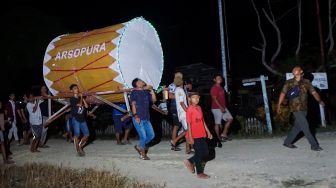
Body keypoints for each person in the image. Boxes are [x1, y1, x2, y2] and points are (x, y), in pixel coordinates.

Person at [277, 66, 325, 151]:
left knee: (298, 127)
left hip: (304, 108)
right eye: (293, 70)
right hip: (295, 108)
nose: (294, 71)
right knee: (305, 126)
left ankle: (287, 142)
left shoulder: (307, 82)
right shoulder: (289, 82)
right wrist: (278, 104)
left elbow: (314, 93)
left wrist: (320, 101)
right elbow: (283, 94)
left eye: (296, 70)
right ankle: (314, 145)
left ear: (301, 71)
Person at [184, 92, 213, 179]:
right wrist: (190, 137)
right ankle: (199, 173)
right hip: (194, 134)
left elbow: (202, 120)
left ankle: (189, 161)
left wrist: (208, 131)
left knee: (205, 152)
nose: (196, 99)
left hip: (201, 133)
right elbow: (188, 124)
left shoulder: (199, 108)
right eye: (194, 97)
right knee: (199, 153)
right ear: (189, 99)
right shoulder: (189, 109)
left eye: (197, 98)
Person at [131, 78, 156, 160]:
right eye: (140, 81)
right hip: (138, 117)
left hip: (146, 117)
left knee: (151, 135)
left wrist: (151, 90)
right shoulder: (134, 92)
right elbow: (133, 104)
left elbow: (154, 100)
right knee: (143, 137)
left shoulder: (146, 92)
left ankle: (139, 146)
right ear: (137, 84)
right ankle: (142, 154)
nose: (142, 81)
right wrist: (135, 115)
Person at [170, 75, 192, 154]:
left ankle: (188, 149)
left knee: (188, 130)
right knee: (188, 130)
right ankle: (174, 140)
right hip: (183, 113)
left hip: (183, 112)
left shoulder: (180, 89)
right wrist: (188, 111)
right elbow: (182, 103)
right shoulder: (179, 90)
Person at [210, 74, 233, 148]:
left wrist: (224, 107)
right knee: (217, 123)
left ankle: (223, 134)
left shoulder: (221, 88)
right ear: (214, 80)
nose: (219, 79)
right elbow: (214, 99)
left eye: (220, 78)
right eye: (217, 78)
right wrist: (220, 107)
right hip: (216, 108)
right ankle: (218, 139)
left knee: (230, 119)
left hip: (223, 107)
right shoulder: (214, 88)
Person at [69, 84, 90, 156]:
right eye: (75, 88)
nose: (77, 89)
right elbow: (80, 105)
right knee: (77, 135)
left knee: (87, 134)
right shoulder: (72, 99)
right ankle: (78, 151)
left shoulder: (79, 98)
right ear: (71, 90)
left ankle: (80, 145)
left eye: (77, 88)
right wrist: (81, 97)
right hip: (76, 118)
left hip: (82, 118)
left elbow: (86, 106)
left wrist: (83, 98)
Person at [167, 72, 183, 151]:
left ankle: (175, 142)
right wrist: (180, 96)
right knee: (176, 126)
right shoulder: (172, 85)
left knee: (179, 125)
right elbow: (170, 96)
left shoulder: (181, 84)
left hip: (180, 106)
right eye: (179, 76)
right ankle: (174, 144)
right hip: (175, 106)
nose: (180, 77)